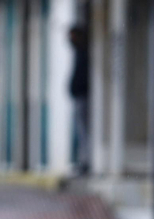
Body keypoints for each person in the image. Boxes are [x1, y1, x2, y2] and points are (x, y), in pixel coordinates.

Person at [68, 24, 90, 174]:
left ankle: (85, 162)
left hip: (83, 96)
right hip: (79, 96)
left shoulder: (83, 52)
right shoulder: (78, 52)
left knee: (84, 130)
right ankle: (84, 160)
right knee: (81, 129)